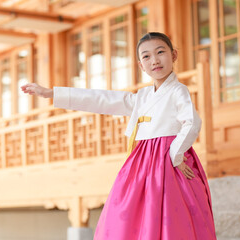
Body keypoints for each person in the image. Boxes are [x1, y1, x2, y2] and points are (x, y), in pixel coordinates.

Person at [21, 32, 217, 240]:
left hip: (168, 161)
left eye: (161, 52)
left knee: (172, 217)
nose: (155, 60)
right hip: (143, 162)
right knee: (129, 215)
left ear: (174, 55)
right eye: (146, 56)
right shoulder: (142, 97)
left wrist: (175, 155)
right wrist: (53, 93)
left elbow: (192, 122)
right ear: (141, 65)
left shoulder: (178, 91)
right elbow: (103, 99)